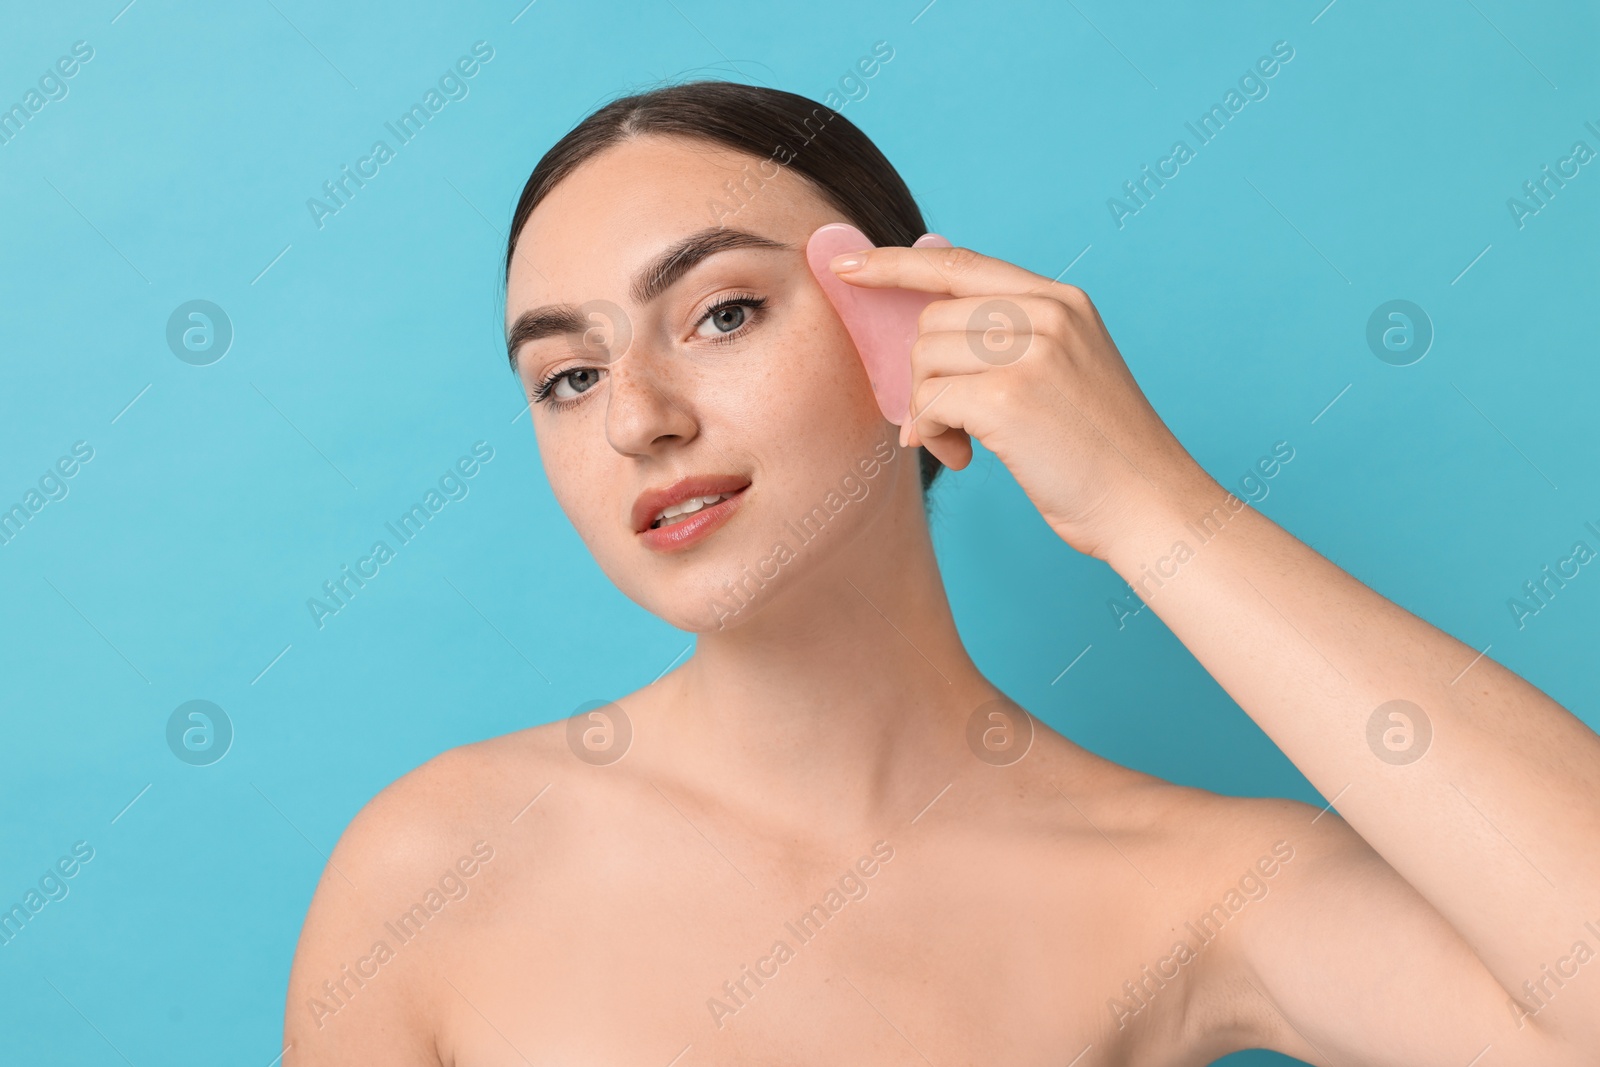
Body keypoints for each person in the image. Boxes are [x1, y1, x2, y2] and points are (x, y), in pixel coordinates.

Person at [282, 81, 1600, 1065]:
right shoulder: (432, 869)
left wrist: (1152, 506)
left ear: (906, 333)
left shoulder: (1190, 883)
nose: (638, 417)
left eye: (723, 313)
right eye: (567, 376)